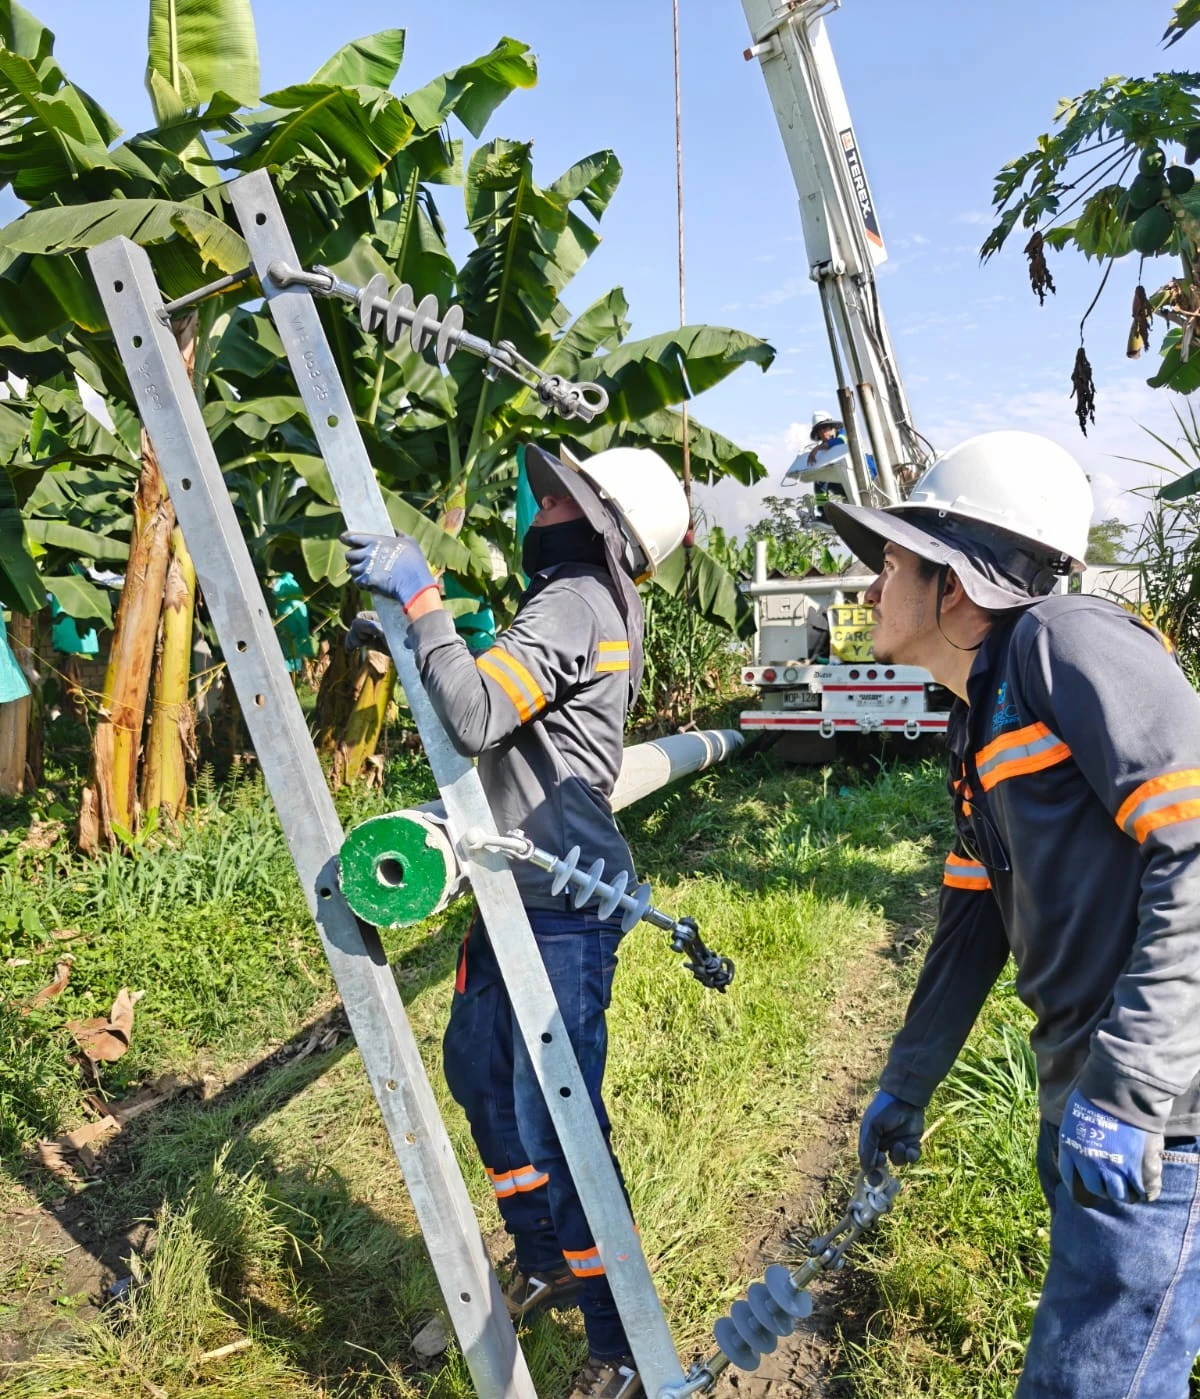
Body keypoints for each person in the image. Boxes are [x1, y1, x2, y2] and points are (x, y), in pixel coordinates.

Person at [821, 429, 1200, 1397]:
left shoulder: (1061, 642)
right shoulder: (981, 718)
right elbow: (971, 922)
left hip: (1161, 1113)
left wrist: (1130, 1089)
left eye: (893, 561)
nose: (871, 587)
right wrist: (907, 1080)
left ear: (957, 581)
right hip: (1087, 1090)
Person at [343, 444, 690, 1399]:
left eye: (556, 501)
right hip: (514, 891)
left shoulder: (577, 596)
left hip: (562, 908)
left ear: (595, 523)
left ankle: (619, 1344)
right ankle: (543, 1261)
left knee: (558, 1125)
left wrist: (422, 603)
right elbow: (504, 695)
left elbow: (477, 713)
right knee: (480, 1073)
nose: (536, 509)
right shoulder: (586, 600)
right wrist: (417, 642)